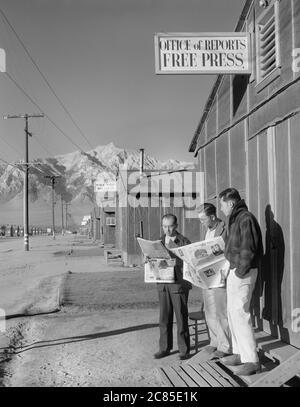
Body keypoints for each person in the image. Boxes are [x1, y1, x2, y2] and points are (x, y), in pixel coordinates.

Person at [219, 188, 263, 376]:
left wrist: (239, 271)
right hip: (235, 271)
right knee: (233, 314)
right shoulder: (236, 218)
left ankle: (252, 361)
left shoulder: (245, 218)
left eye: (221, 205)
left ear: (230, 203)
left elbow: (249, 248)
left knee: (240, 313)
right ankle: (239, 353)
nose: (221, 209)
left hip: (242, 273)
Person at [152, 213, 192, 361]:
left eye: (170, 226)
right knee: (164, 318)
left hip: (178, 285)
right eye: (164, 226)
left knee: (181, 317)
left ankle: (184, 350)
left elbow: (189, 262)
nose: (167, 230)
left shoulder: (184, 241)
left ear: (176, 226)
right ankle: (164, 348)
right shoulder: (158, 242)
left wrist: (173, 262)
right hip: (163, 284)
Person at [197, 203, 232, 358]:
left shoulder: (224, 229)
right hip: (207, 276)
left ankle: (225, 346)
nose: (202, 223)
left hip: (219, 276)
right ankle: (214, 341)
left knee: (220, 312)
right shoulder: (208, 230)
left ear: (212, 216)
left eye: (203, 219)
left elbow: (228, 252)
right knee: (209, 311)